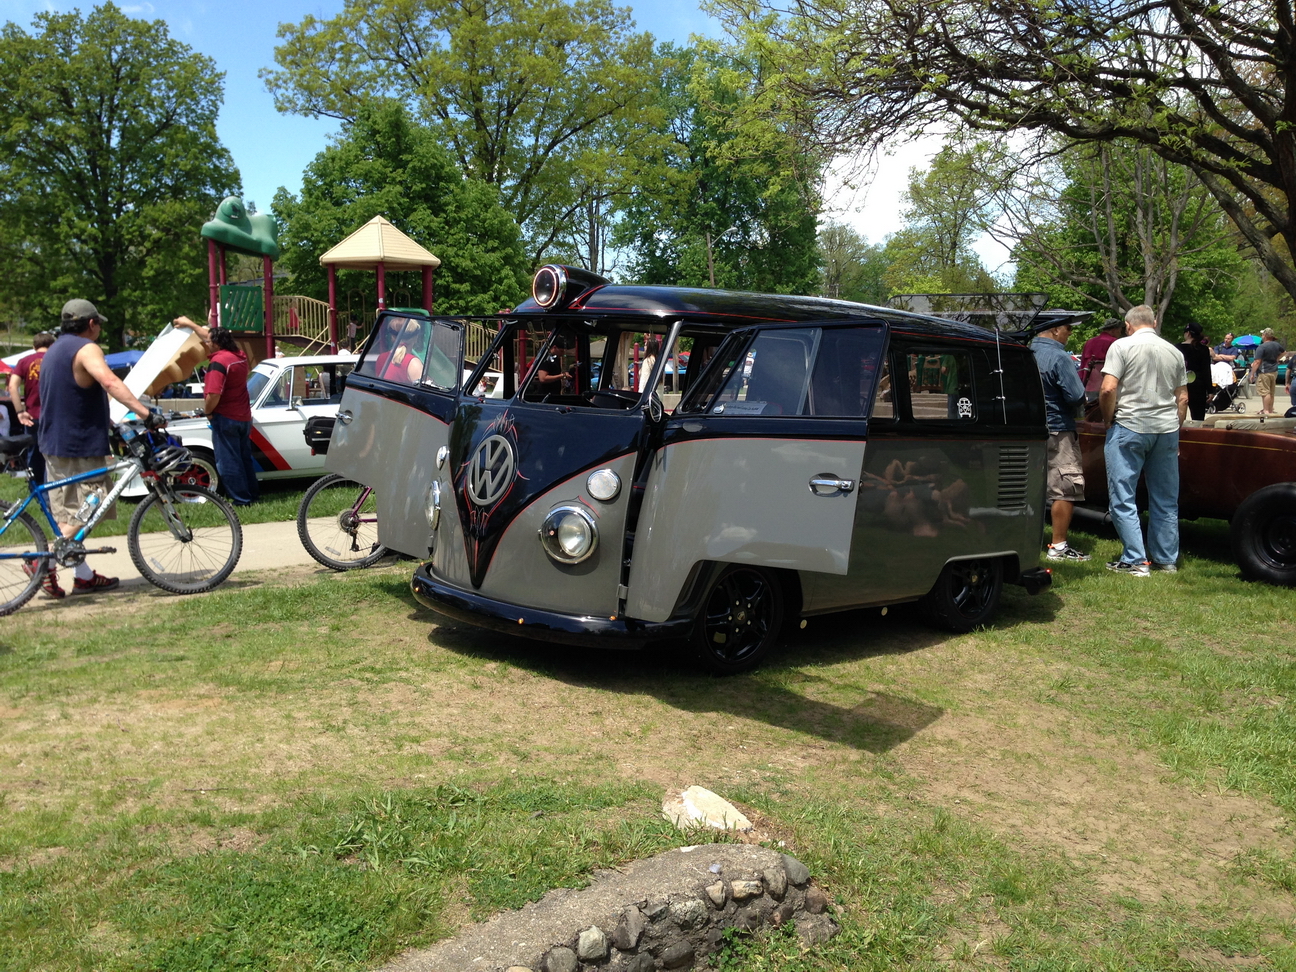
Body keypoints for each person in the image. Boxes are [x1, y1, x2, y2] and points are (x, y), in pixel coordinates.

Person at [38, 299, 160, 596]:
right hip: (78, 444)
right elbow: (109, 381)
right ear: (91, 324)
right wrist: (146, 414)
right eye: (99, 324)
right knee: (92, 506)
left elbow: (72, 395)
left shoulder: (54, 350)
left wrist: (110, 422)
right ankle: (43, 562)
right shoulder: (86, 348)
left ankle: (82, 576)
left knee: (68, 516)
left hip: (53, 442)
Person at [1099, 304, 1188, 576]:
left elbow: (1108, 388)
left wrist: (1108, 419)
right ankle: (1166, 559)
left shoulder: (1121, 346)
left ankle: (1135, 559)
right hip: (1166, 428)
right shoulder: (1174, 352)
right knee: (1165, 498)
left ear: (1128, 325)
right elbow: (1183, 398)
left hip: (1130, 424)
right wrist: (1175, 428)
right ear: (1155, 322)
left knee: (1123, 495)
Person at [174, 316, 258, 506]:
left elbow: (213, 394)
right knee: (244, 459)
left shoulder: (218, 363)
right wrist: (189, 324)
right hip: (244, 417)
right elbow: (210, 336)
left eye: (209, 342)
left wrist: (207, 411)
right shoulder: (239, 356)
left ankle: (241, 500)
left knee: (228, 461)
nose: (206, 343)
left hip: (225, 418)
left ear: (217, 344)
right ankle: (252, 494)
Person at [1032, 319, 1090, 560]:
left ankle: (1028, 539)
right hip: (1057, 428)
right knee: (1065, 486)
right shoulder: (1059, 357)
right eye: (1068, 328)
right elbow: (1076, 395)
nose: (1070, 333)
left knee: (1028, 487)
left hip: (1028, 431)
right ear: (1055, 329)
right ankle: (1058, 546)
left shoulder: (1025, 352)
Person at [7, 331, 55, 483]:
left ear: (34, 347)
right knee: (54, 455)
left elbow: (12, 387)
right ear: (52, 345)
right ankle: (52, 488)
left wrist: (20, 411)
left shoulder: (24, 361)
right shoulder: (57, 359)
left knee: (34, 454)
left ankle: (35, 487)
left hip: (32, 416)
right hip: (55, 416)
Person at [1079, 317, 1122, 395]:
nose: (1119, 334)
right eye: (1119, 331)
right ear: (1113, 330)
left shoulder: (1089, 342)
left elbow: (1083, 364)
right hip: (1107, 386)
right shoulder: (1115, 343)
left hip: (1088, 386)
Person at [1179, 322, 1212, 420]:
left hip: (1180, 384)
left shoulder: (1177, 348)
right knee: (1198, 418)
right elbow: (1206, 371)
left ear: (1188, 333)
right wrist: (1210, 390)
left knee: (1179, 416)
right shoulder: (1203, 349)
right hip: (1198, 386)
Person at [1250, 327, 1285, 416]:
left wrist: (1252, 373)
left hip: (1264, 371)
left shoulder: (1262, 347)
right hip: (1274, 371)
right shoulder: (1276, 345)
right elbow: (1284, 352)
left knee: (1265, 392)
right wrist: (1277, 359)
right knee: (1271, 392)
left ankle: (1266, 410)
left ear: (1265, 336)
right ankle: (1270, 409)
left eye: (1262, 334)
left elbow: (1257, 361)